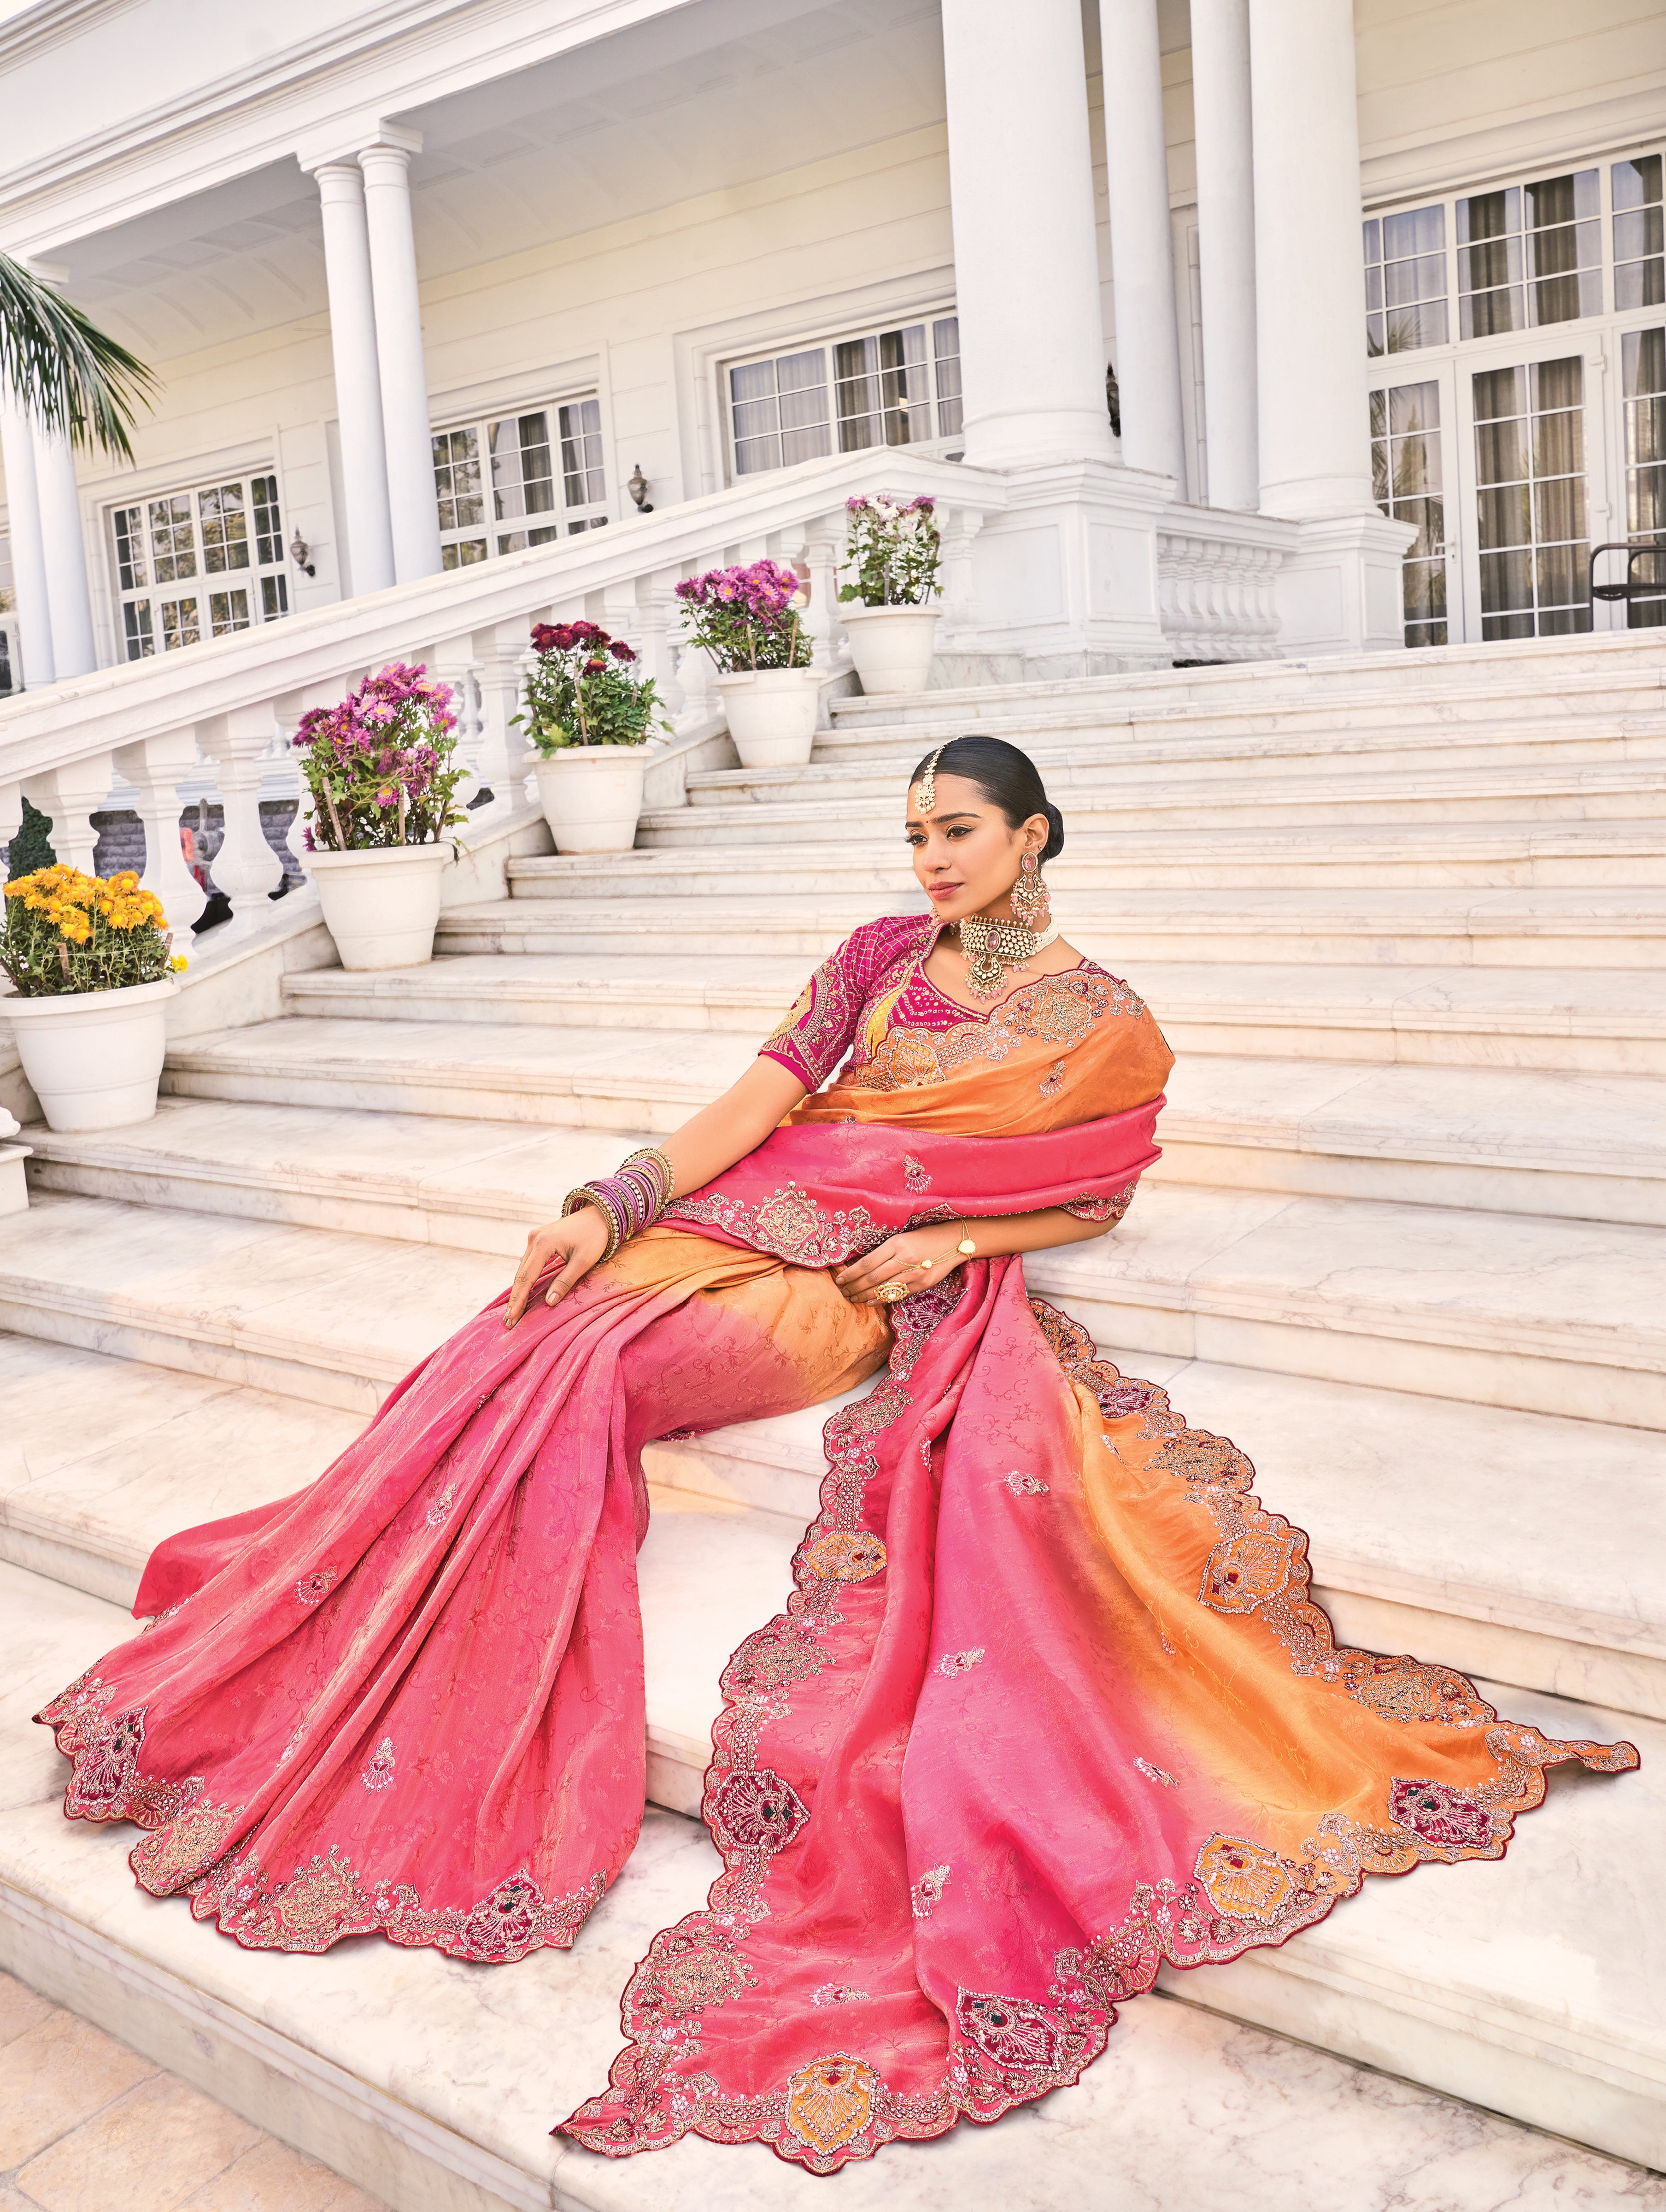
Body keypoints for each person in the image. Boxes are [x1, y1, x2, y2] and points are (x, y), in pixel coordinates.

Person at [36, 736, 1636, 2177]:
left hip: (837, 1293)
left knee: (593, 1368)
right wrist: (611, 1203)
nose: (932, 859)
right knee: (519, 1327)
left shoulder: (1104, 1023)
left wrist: (953, 1242)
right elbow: (756, 1102)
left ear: (1034, 836)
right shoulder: (876, 959)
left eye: (958, 831)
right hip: (725, 1222)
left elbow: (1100, 1204)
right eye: (915, 833)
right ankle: (323, 1632)